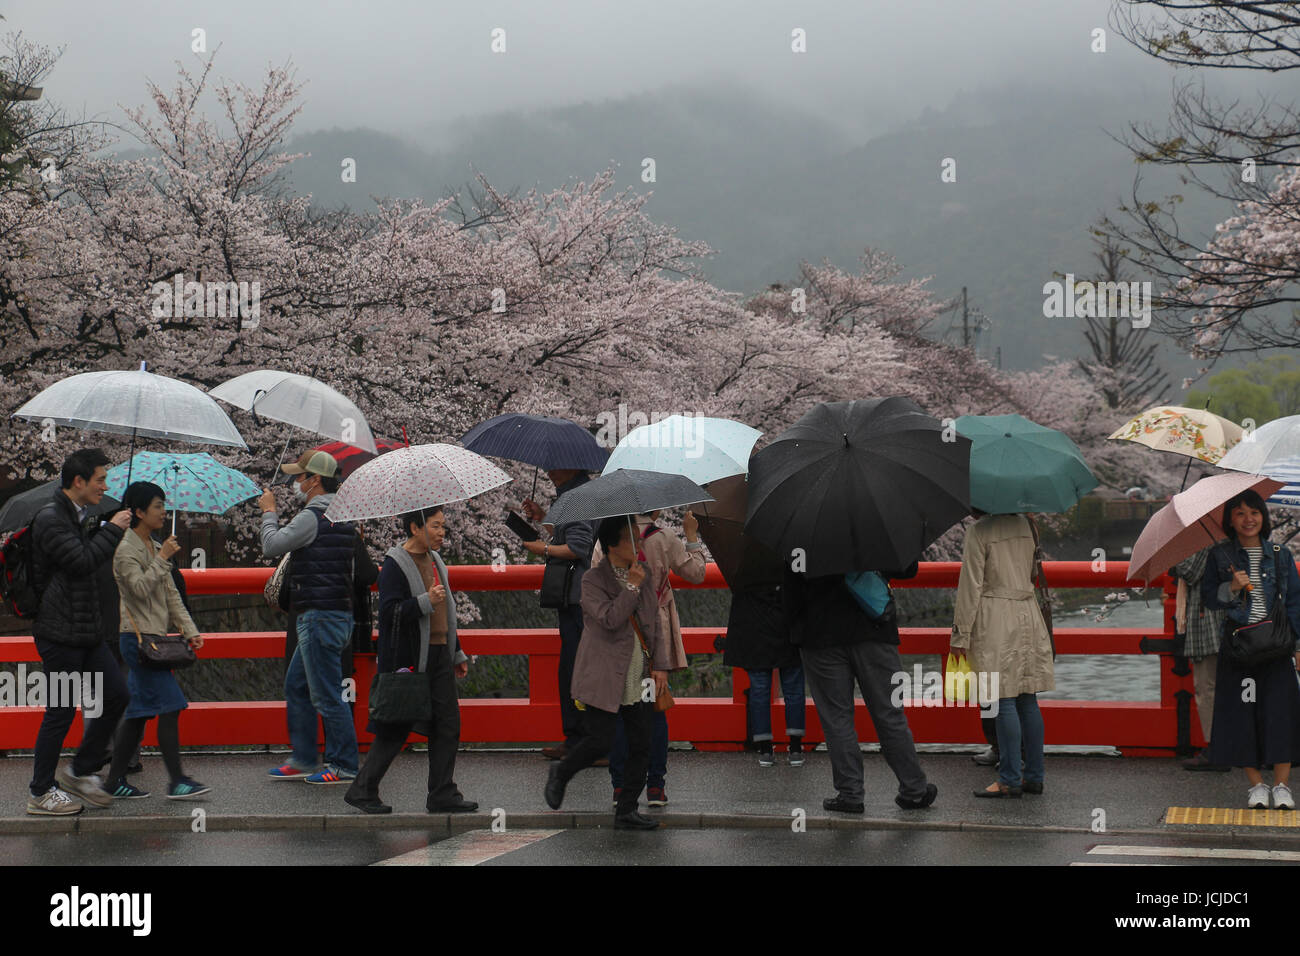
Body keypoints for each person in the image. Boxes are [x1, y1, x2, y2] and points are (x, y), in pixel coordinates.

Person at [345, 507, 476, 814]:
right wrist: (424, 602)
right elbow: (390, 613)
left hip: (440, 653)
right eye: (436, 526)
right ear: (416, 527)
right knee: (396, 726)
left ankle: (442, 793)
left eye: (443, 526)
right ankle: (362, 789)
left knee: (447, 724)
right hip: (408, 659)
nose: (442, 532)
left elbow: (448, 612)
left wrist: (456, 651)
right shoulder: (395, 565)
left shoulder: (436, 560)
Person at [783, 559, 937, 813]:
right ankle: (914, 789)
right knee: (889, 713)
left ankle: (850, 793)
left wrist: (797, 632)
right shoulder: (870, 524)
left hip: (820, 635)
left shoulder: (801, 531)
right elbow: (907, 568)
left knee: (837, 718)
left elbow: (791, 592)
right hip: (873, 630)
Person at [544, 516, 668, 829]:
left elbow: (654, 622)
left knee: (642, 743)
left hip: (638, 672)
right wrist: (631, 587)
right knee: (601, 741)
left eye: (640, 540)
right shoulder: (592, 580)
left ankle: (626, 810)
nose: (639, 546)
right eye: (633, 540)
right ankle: (562, 771)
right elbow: (610, 619)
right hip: (604, 673)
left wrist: (662, 666)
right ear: (612, 545)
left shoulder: (644, 572)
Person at [26, 448, 131, 816]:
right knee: (61, 711)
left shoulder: (78, 516)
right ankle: (41, 791)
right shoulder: (52, 518)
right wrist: (114, 530)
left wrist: (103, 528)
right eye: (100, 479)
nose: (105, 486)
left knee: (117, 694)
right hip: (59, 635)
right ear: (78, 481)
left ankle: (80, 770)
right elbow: (82, 561)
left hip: (86, 632)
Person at [260, 450, 362, 785]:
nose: (296, 483)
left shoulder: (312, 516)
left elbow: (272, 545)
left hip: (317, 615)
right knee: (298, 685)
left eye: (300, 477)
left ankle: (344, 763)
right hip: (337, 613)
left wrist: (269, 513)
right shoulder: (344, 517)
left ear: (315, 480)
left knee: (326, 694)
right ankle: (304, 757)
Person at [591, 509, 706, 805]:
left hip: (618, 631)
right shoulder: (664, 537)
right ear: (654, 507)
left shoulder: (607, 539)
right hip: (653, 634)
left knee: (619, 709)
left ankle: (620, 787)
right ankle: (655, 786)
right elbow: (696, 573)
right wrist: (691, 536)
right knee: (653, 709)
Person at [104, 482, 209, 800]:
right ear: (138, 512)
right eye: (157, 507)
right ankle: (177, 780)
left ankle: (113, 782)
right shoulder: (126, 549)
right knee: (172, 705)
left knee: (138, 715)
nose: (164, 512)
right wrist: (163, 558)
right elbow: (138, 589)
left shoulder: (152, 544)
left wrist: (189, 629)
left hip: (153, 639)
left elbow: (170, 594)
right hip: (137, 641)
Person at [1200, 490, 1300, 810]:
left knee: (1280, 715)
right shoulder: (1220, 556)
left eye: (1254, 512)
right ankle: (1256, 785)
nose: (1248, 519)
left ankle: (1282, 785)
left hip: (1277, 648)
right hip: (1240, 652)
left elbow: (1295, 601)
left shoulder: (1280, 553)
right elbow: (1209, 600)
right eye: (1240, 513)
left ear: (1263, 516)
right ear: (1230, 519)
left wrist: (1298, 644)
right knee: (1243, 715)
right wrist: (1230, 588)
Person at [950, 511, 1055, 798]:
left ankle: (1009, 777)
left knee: (1002, 698)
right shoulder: (1027, 525)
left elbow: (970, 585)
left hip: (995, 615)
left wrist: (960, 634)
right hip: (1027, 612)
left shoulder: (980, 531)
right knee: (1028, 697)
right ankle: (1034, 775)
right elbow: (1033, 574)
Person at [521, 469, 597, 761]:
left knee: (575, 669)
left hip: (578, 598)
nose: (549, 471)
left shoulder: (577, 497)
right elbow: (573, 533)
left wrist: (543, 549)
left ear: (569, 467)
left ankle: (584, 741)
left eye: (554, 466)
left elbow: (578, 547)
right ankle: (581, 739)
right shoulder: (576, 495)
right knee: (573, 668)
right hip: (579, 598)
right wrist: (544, 518)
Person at [723, 581, 806, 767]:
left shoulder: (746, 562)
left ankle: (765, 749)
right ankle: (795, 748)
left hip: (756, 626)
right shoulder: (791, 555)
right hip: (788, 623)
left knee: (759, 690)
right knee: (793, 689)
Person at [1170, 545, 1228, 771]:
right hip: (1219, 618)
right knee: (1222, 687)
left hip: (1208, 621)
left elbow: (1191, 571)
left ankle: (1216, 750)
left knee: (1207, 687)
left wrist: (1174, 553)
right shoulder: (1221, 535)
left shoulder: (1204, 540)